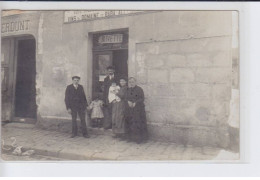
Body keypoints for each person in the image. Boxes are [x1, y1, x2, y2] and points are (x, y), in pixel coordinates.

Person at [126, 77, 148, 144]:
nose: (131, 83)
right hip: (130, 109)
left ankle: (140, 139)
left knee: (138, 123)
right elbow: (126, 97)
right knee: (130, 122)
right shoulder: (128, 90)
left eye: (132, 82)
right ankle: (131, 138)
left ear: (135, 82)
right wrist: (128, 101)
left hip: (138, 109)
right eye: (130, 82)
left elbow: (142, 98)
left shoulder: (139, 89)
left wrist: (136, 102)